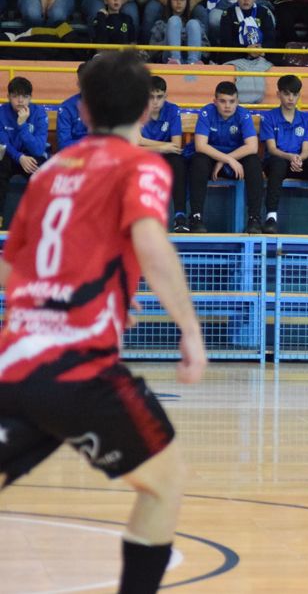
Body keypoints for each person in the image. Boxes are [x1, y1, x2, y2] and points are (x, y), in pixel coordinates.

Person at [0, 50, 207, 592]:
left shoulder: (47, 175)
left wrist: (84, 295)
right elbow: (151, 242)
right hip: (78, 372)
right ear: (147, 110)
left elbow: (11, 268)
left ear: (83, 109)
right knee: (163, 484)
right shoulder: (141, 164)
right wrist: (188, 327)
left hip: (13, 366)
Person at [188, 81, 264, 233]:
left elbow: (252, 146)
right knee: (199, 161)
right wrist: (227, 159)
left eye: (232, 101)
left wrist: (226, 160)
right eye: (222, 101)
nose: (227, 106)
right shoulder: (207, 112)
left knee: (254, 162)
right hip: (212, 159)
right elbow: (201, 146)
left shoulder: (243, 114)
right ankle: (196, 217)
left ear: (237, 101)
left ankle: (254, 219)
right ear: (215, 101)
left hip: (235, 160)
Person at [260, 74, 308, 235]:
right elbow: (272, 149)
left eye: (295, 94)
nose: (291, 98)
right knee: (277, 163)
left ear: (299, 95)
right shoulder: (269, 117)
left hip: (298, 161)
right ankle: (271, 218)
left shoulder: (306, 119)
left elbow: (306, 151)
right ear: (278, 94)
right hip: (277, 160)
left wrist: (298, 158)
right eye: (287, 94)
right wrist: (290, 157)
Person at [139, 76, 188, 233]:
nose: (155, 102)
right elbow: (133, 145)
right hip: (143, 156)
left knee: (178, 162)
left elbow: (176, 145)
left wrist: (145, 142)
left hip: (165, 157)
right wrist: (161, 147)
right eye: (150, 97)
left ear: (165, 97)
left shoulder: (172, 110)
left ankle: (180, 216)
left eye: (159, 97)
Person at [0, 77, 49, 229]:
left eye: (25, 96)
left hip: (32, 158)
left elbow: (38, 149)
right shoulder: (1, 113)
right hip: (10, 156)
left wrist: (22, 126)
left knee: (44, 173)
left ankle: (43, 221)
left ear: (30, 97)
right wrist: (19, 157)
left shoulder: (39, 113)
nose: (20, 101)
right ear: (8, 97)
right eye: (15, 96)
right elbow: (3, 144)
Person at [148, 0, 207, 64]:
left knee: (193, 23)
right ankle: (175, 60)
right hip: (169, 58)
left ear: (187, 2)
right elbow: (152, 51)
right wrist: (172, 40)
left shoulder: (197, 25)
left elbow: (206, 51)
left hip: (194, 59)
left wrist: (189, 41)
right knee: (174, 20)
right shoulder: (161, 25)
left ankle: (193, 63)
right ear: (170, 1)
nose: (179, 3)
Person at [57, 63, 90, 151]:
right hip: (76, 156)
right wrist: (88, 145)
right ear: (78, 83)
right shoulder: (66, 108)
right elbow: (63, 144)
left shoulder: (107, 105)